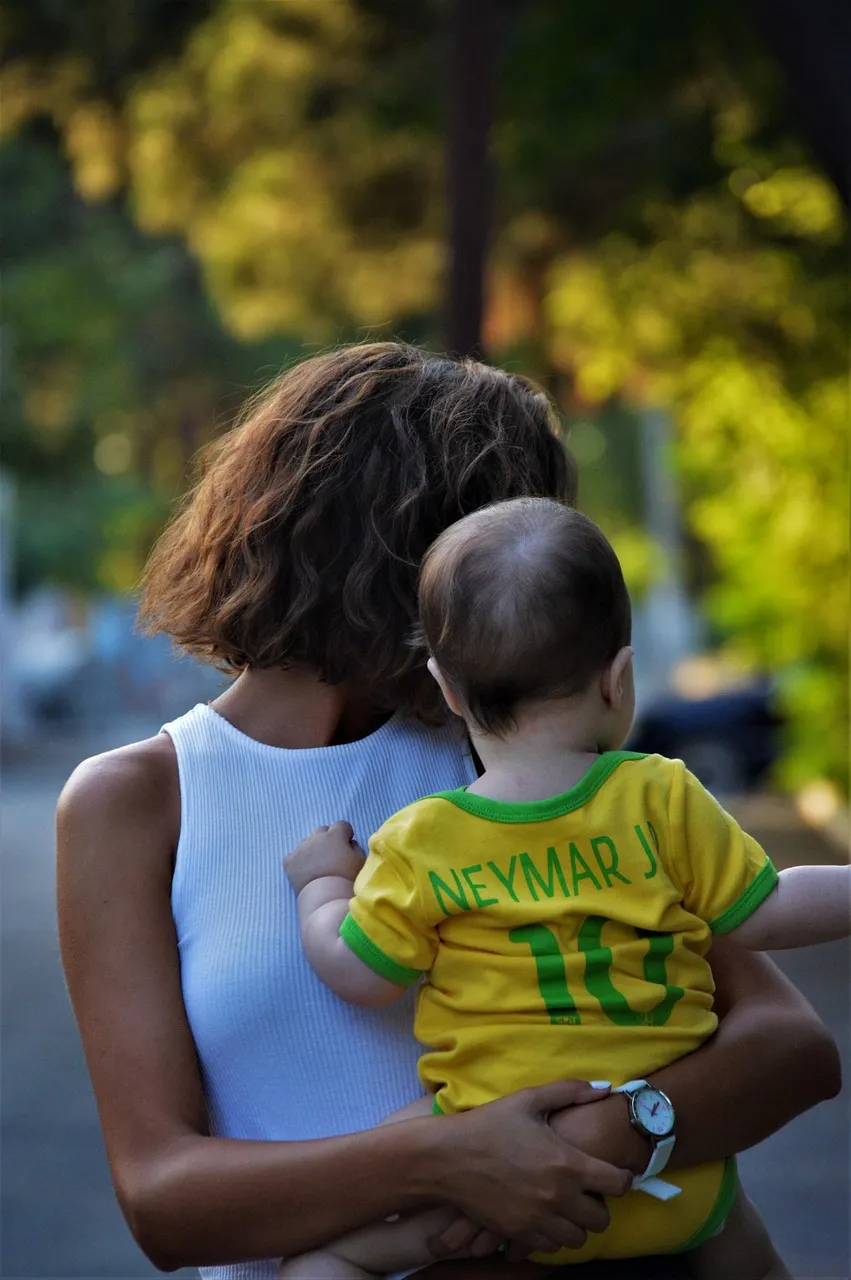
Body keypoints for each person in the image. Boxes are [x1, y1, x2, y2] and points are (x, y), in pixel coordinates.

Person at [56, 344, 841, 1280]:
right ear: (395, 555)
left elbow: (789, 1047)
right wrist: (447, 1160)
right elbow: (163, 1201)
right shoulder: (133, 803)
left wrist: (609, 1135)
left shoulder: (515, 750)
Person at [283, 498, 849, 1280]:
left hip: (492, 1166)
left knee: (322, 1255)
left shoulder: (421, 840)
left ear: (446, 689)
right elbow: (771, 913)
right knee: (740, 1246)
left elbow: (359, 975)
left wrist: (321, 884)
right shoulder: (659, 796)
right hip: (669, 1170)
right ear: (618, 678)